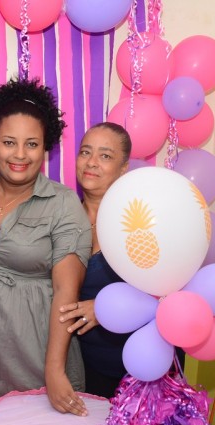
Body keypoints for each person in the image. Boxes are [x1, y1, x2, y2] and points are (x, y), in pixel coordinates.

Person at [0, 78, 92, 416]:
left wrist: (54, 369)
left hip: (35, 353)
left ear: (46, 147)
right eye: (9, 142)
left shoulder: (63, 204)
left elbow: (66, 292)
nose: (20, 155)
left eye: (32, 144)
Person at [58, 122, 132, 398]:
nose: (91, 162)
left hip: (136, 366)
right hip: (80, 367)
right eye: (85, 152)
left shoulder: (138, 224)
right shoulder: (61, 219)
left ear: (123, 169)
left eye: (105, 156)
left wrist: (105, 307)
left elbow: (164, 293)